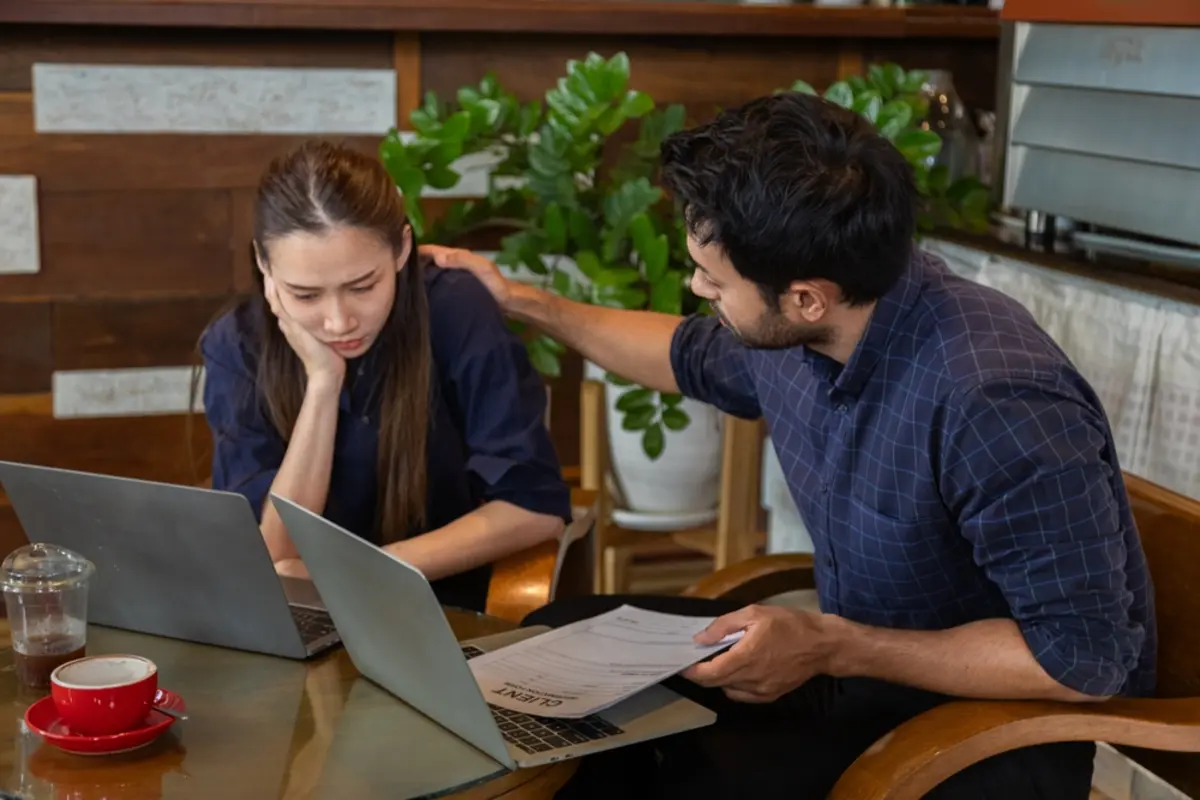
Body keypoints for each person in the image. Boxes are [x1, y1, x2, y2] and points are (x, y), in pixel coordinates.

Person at [422, 92, 1155, 798]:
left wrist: (835, 645)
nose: (698, 289)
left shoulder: (993, 397)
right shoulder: (813, 322)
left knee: (660, 770)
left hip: (981, 736)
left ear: (806, 297)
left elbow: (1083, 660)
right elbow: (684, 355)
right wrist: (523, 301)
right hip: (857, 676)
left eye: (712, 280)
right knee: (560, 649)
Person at [198, 140, 572, 613]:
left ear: (402, 247)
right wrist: (323, 384)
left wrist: (364, 571)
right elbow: (273, 558)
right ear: (264, 266)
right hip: (304, 616)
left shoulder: (456, 311)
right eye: (306, 295)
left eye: (362, 286)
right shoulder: (239, 344)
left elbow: (535, 510)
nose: (338, 321)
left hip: (444, 607)